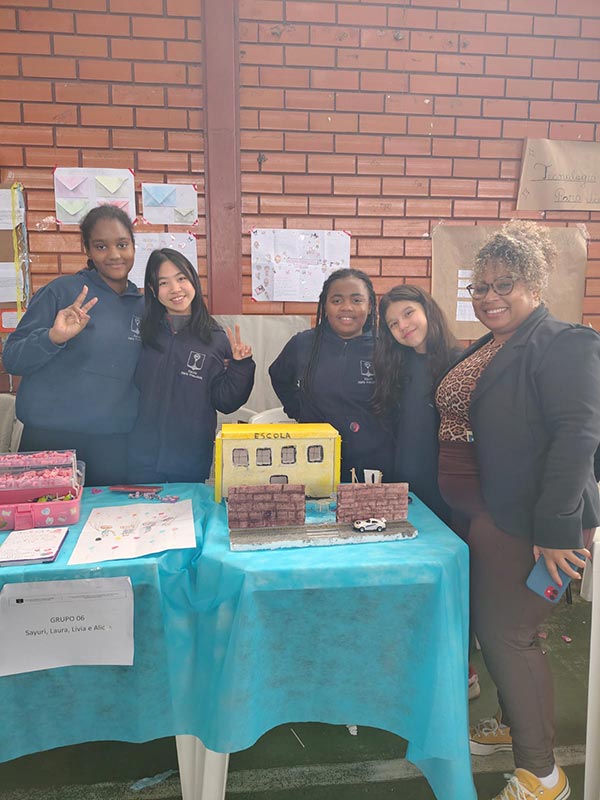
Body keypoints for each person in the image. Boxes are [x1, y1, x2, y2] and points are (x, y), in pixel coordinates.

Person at [435, 220, 600, 800]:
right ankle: (514, 723)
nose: (490, 296)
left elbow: (577, 437)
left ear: (534, 283)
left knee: (509, 634)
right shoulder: (491, 344)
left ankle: (542, 776)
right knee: (496, 629)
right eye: (480, 286)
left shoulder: (564, 342)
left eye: (504, 283)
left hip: (532, 521)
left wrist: (555, 530)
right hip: (489, 514)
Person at [2, 205, 143, 486]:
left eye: (122, 244)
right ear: (87, 249)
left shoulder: (143, 306)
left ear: (133, 246)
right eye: (101, 246)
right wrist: (52, 338)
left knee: (108, 514)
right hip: (51, 440)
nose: (114, 255)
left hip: (112, 445)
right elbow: (13, 359)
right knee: (43, 513)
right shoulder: (62, 292)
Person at [127, 248, 255, 483]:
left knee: (187, 506)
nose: (175, 289)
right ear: (153, 290)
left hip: (190, 457)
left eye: (181, 278)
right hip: (141, 456)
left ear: (193, 281)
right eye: (163, 283)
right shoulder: (144, 334)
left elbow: (225, 402)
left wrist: (241, 366)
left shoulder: (214, 338)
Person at [269, 268, 393, 484]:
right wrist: (298, 410)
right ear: (325, 305)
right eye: (337, 300)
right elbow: (279, 376)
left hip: (374, 462)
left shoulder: (386, 347)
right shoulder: (303, 344)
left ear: (370, 306)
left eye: (357, 300)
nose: (347, 307)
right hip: (315, 457)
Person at [373, 285, 461, 524]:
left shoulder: (458, 363)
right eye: (393, 324)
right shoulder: (395, 366)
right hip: (405, 488)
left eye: (408, 313)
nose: (403, 325)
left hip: (445, 492)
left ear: (427, 309)